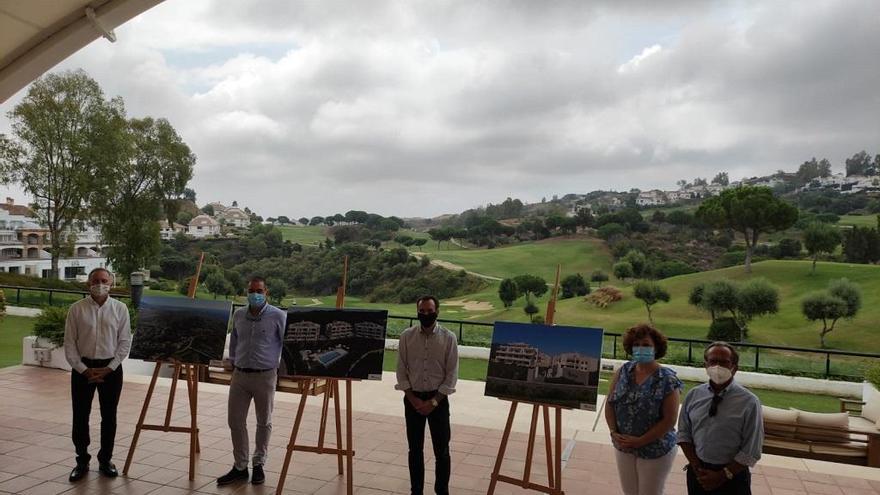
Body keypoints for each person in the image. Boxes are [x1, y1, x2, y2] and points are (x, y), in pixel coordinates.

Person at [217, 276, 287, 486]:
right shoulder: (239, 315)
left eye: (259, 290)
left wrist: (283, 371)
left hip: (265, 375)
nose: (254, 294)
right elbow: (235, 340)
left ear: (266, 292)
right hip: (240, 375)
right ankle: (240, 466)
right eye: (251, 290)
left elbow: (287, 344)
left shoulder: (277, 316)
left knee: (263, 421)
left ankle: (258, 464)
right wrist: (232, 361)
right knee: (235, 421)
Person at [64, 268, 131, 482]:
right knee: (80, 416)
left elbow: (124, 343)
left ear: (111, 283)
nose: (100, 284)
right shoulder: (76, 309)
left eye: (104, 280)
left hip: (111, 369)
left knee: (109, 416)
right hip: (82, 369)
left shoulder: (120, 309)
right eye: (96, 280)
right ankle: (81, 461)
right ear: (88, 284)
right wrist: (84, 369)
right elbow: (69, 344)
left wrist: (110, 367)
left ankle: (105, 460)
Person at [605, 324, 683, 495]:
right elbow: (610, 403)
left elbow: (670, 419)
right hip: (624, 446)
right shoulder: (623, 372)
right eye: (636, 344)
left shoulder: (667, 379)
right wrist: (613, 431)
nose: (641, 348)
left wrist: (640, 441)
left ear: (656, 348)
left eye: (646, 345)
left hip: (655, 449)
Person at [678, 342, 764, 495]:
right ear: (706, 365)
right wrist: (697, 468)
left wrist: (722, 475)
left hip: (733, 477)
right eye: (712, 361)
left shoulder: (749, 402)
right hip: (699, 473)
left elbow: (751, 449)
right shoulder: (694, 395)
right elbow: (684, 434)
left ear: (735, 368)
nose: (717, 366)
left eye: (724, 362)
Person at [395, 295, 459, 495]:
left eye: (430, 311)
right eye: (422, 311)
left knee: (442, 451)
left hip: (438, 401)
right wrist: (413, 400)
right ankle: (417, 491)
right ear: (417, 311)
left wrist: (433, 402)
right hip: (412, 400)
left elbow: (451, 375)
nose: (425, 314)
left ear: (437, 311)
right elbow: (400, 371)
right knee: (415, 450)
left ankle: (442, 491)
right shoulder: (407, 336)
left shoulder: (449, 338)